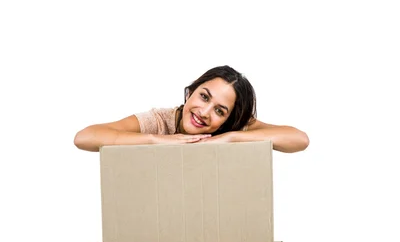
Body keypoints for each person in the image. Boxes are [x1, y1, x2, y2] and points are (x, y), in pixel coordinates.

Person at [74, 65, 309, 153]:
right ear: (190, 93)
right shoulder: (159, 121)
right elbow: (84, 138)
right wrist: (157, 140)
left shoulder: (232, 128)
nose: (205, 112)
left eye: (220, 111)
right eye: (204, 97)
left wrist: (231, 137)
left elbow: (299, 139)